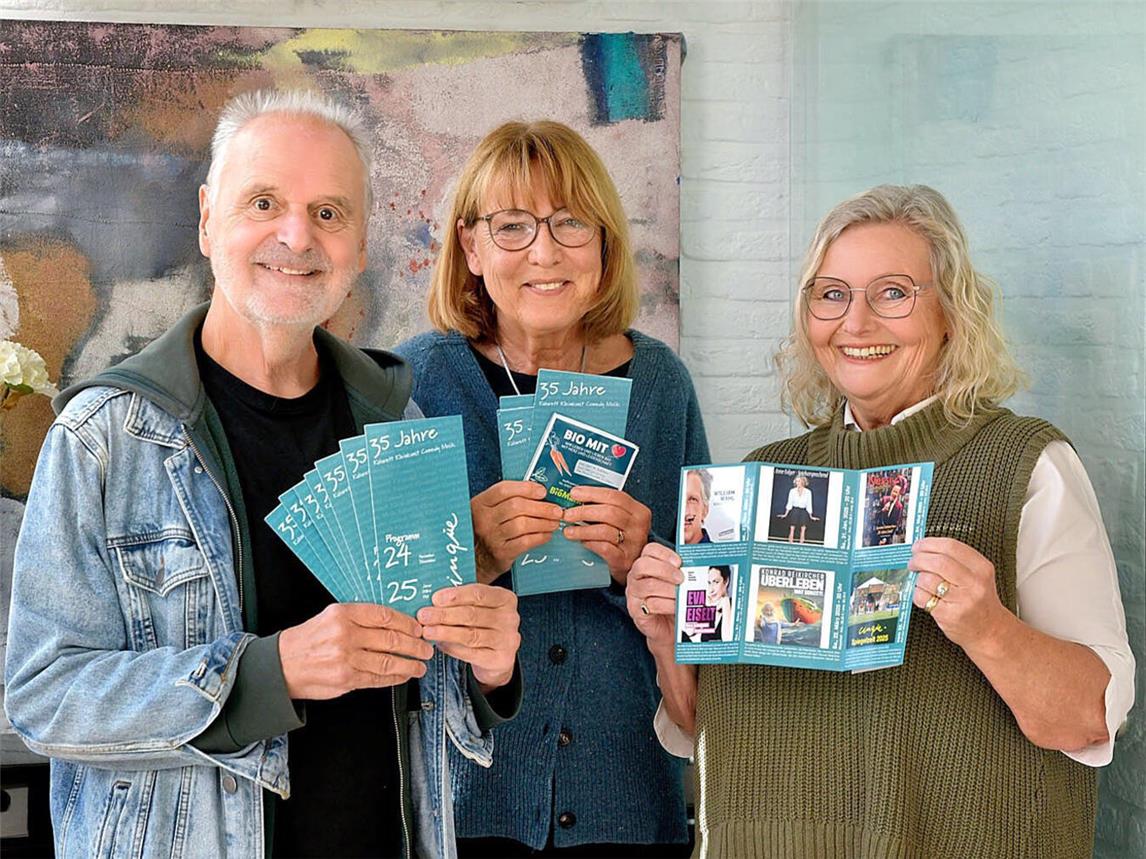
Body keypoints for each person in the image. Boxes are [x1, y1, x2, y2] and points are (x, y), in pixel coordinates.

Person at [4, 89, 523, 859]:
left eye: (328, 212)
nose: (296, 235)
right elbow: (44, 697)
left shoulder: (399, 427)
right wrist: (264, 673)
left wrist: (488, 667)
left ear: (358, 243)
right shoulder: (103, 439)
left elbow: (424, 697)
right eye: (265, 201)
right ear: (209, 218)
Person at [626, 184, 1135, 858]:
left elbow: (1090, 718)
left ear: (952, 313)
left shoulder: (1026, 466)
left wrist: (988, 628)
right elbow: (710, 731)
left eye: (892, 293)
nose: (856, 323)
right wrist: (667, 639)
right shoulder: (759, 478)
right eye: (831, 294)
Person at [395, 120, 708, 856]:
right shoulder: (416, 382)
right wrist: (469, 552)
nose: (545, 250)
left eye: (570, 222)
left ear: (602, 245)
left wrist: (645, 554)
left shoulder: (660, 384)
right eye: (513, 226)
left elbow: (714, 603)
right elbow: (374, 611)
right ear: (471, 247)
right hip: (467, 804)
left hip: (626, 796)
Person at [682, 566, 733, 643]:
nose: (711, 589)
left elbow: (728, 640)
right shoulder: (707, 604)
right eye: (709, 583)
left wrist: (725, 601)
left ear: (726, 581)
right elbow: (689, 632)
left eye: (716, 582)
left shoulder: (732, 604)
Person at [779, 474, 818, 543]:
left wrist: (811, 516)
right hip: (794, 510)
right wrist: (785, 514)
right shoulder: (792, 491)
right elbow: (789, 503)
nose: (797, 483)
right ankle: (790, 543)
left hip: (803, 511)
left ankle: (801, 544)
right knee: (792, 528)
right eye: (796, 481)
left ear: (803, 482)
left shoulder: (808, 492)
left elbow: (809, 504)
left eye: (799, 481)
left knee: (803, 528)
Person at [682, 467, 714, 544]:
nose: (685, 512)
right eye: (680, 499)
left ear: (705, 510)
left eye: (692, 499)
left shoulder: (722, 555)